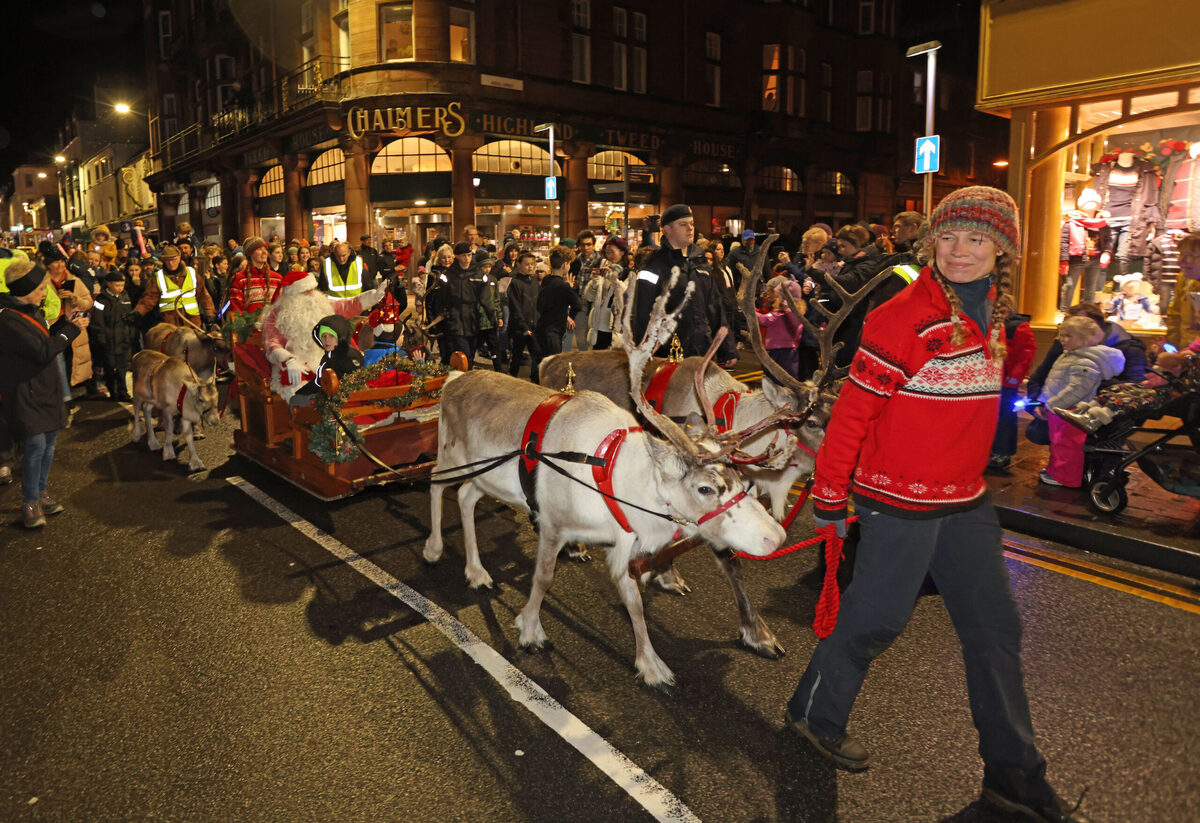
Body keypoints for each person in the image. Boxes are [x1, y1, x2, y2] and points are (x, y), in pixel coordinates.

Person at [787, 186, 1091, 823]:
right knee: (874, 622)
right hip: (896, 499)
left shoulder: (996, 315)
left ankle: (1015, 778)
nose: (959, 251)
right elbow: (852, 413)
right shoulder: (905, 315)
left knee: (995, 629)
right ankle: (815, 713)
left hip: (965, 501)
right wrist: (830, 495)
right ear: (930, 242)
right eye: (948, 237)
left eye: (976, 239)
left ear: (1001, 249)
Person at [0, 260, 89, 528]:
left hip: (45, 390)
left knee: (49, 444)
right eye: (40, 287)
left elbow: (44, 340)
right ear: (26, 289)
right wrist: (72, 330)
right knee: (36, 446)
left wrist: (65, 324)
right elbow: (41, 352)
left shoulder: (31, 310)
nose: (44, 292)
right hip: (26, 394)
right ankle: (29, 502)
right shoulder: (7, 319)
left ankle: (40, 493)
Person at [631, 203, 736, 365]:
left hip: (701, 351)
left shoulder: (701, 261)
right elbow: (642, 312)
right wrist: (642, 351)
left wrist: (727, 349)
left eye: (692, 224)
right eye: (683, 225)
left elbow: (715, 307)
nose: (690, 228)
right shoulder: (654, 265)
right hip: (666, 353)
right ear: (667, 229)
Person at [260, 269, 386, 402]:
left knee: (352, 380)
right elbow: (271, 343)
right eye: (305, 292)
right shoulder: (277, 314)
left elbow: (347, 305)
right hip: (297, 363)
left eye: (312, 290)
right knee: (301, 390)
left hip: (327, 358)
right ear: (292, 295)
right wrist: (288, 360)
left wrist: (373, 297)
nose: (311, 295)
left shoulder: (321, 304)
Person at [1036, 315, 1125, 488]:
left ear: (1085, 339)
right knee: (1058, 443)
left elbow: (1077, 389)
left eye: (1068, 335)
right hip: (1060, 409)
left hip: (1069, 410)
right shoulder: (1071, 356)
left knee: (1067, 445)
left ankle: (1066, 478)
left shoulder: (1084, 361)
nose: (1062, 339)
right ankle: (1057, 471)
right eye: (1061, 335)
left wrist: (1052, 403)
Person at [988, 311, 1036, 470]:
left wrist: (1015, 376)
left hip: (1005, 381)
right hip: (988, 379)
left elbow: (1026, 353)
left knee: (1005, 419)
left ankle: (1002, 453)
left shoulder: (1017, 327)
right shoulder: (985, 321)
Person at [424, 241, 483, 367]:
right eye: (444, 257)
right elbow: (432, 300)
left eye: (449, 257)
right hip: (446, 319)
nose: (447, 260)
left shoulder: (471, 273)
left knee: (462, 355)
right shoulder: (439, 275)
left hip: (465, 321)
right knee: (453, 354)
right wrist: (432, 320)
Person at [133, 245, 216, 328]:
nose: (171, 263)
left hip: (192, 321)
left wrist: (209, 313)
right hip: (170, 322)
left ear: (179, 258)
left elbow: (203, 295)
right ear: (163, 261)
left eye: (173, 259)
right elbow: (149, 297)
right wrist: (138, 312)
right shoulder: (159, 277)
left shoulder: (191, 273)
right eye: (167, 260)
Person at [532, 246, 581, 384]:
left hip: (541, 328)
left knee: (541, 365)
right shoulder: (563, 287)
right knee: (553, 368)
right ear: (565, 264)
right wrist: (569, 316)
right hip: (554, 332)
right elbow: (578, 305)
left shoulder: (546, 280)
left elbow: (542, 305)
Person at [90, 269, 135, 401]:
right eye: (117, 285)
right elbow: (97, 320)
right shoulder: (101, 300)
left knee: (122, 367)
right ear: (109, 284)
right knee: (109, 367)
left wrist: (130, 333)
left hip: (123, 339)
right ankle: (113, 391)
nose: (120, 288)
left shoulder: (125, 298)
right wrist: (101, 337)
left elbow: (129, 317)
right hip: (108, 340)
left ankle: (123, 392)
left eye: (122, 285)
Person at [754, 282, 802, 381]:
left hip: (778, 351)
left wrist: (751, 310)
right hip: (791, 351)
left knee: (775, 378)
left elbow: (764, 320)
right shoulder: (797, 315)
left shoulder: (780, 315)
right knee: (789, 377)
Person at [225, 236, 280, 316]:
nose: (264, 252)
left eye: (265, 248)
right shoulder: (239, 279)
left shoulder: (277, 278)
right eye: (259, 249)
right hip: (249, 327)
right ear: (250, 253)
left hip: (272, 327)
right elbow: (236, 311)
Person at [506, 250, 540, 377]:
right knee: (516, 356)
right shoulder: (515, 283)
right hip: (519, 328)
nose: (530, 267)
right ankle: (510, 381)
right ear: (519, 265)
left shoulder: (535, 281)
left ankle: (535, 382)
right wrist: (523, 326)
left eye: (532, 264)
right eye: (527, 264)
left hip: (534, 325)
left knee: (537, 355)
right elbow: (515, 307)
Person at [1164, 231, 1200, 348]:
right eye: (1180, 255)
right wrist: (1171, 349)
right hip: (1186, 355)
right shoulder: (1184, 279)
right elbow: (1175, 315)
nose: (1180, 262)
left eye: (1188, 256)